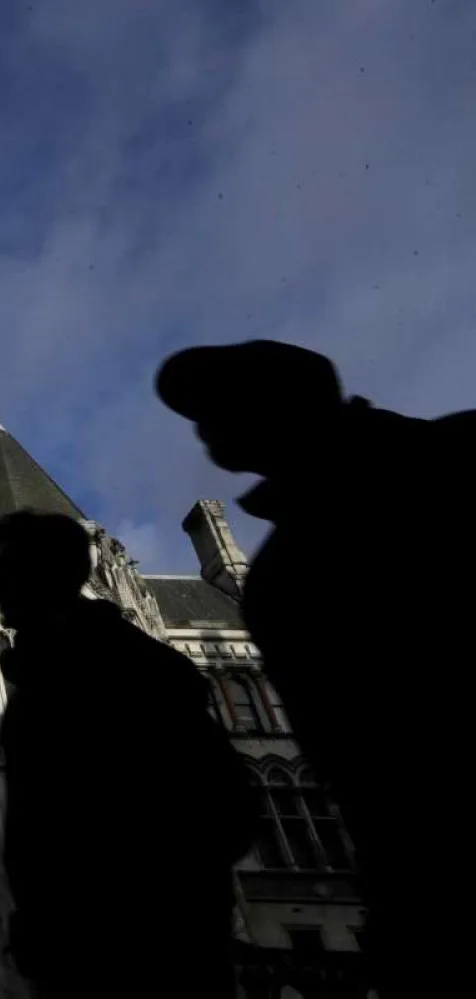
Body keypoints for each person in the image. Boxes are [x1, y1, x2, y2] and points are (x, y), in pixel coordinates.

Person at [156, 339, 476, 996]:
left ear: (272, 408)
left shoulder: (445, 468)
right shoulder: (279, 572)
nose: (204, 432)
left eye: (215, 410)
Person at [0, 511, 254, 999]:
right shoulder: (43, 677)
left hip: (143, 952)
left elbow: (227, 802)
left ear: (42, 576)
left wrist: (150, 906)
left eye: (4, 569)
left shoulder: (123, 671)